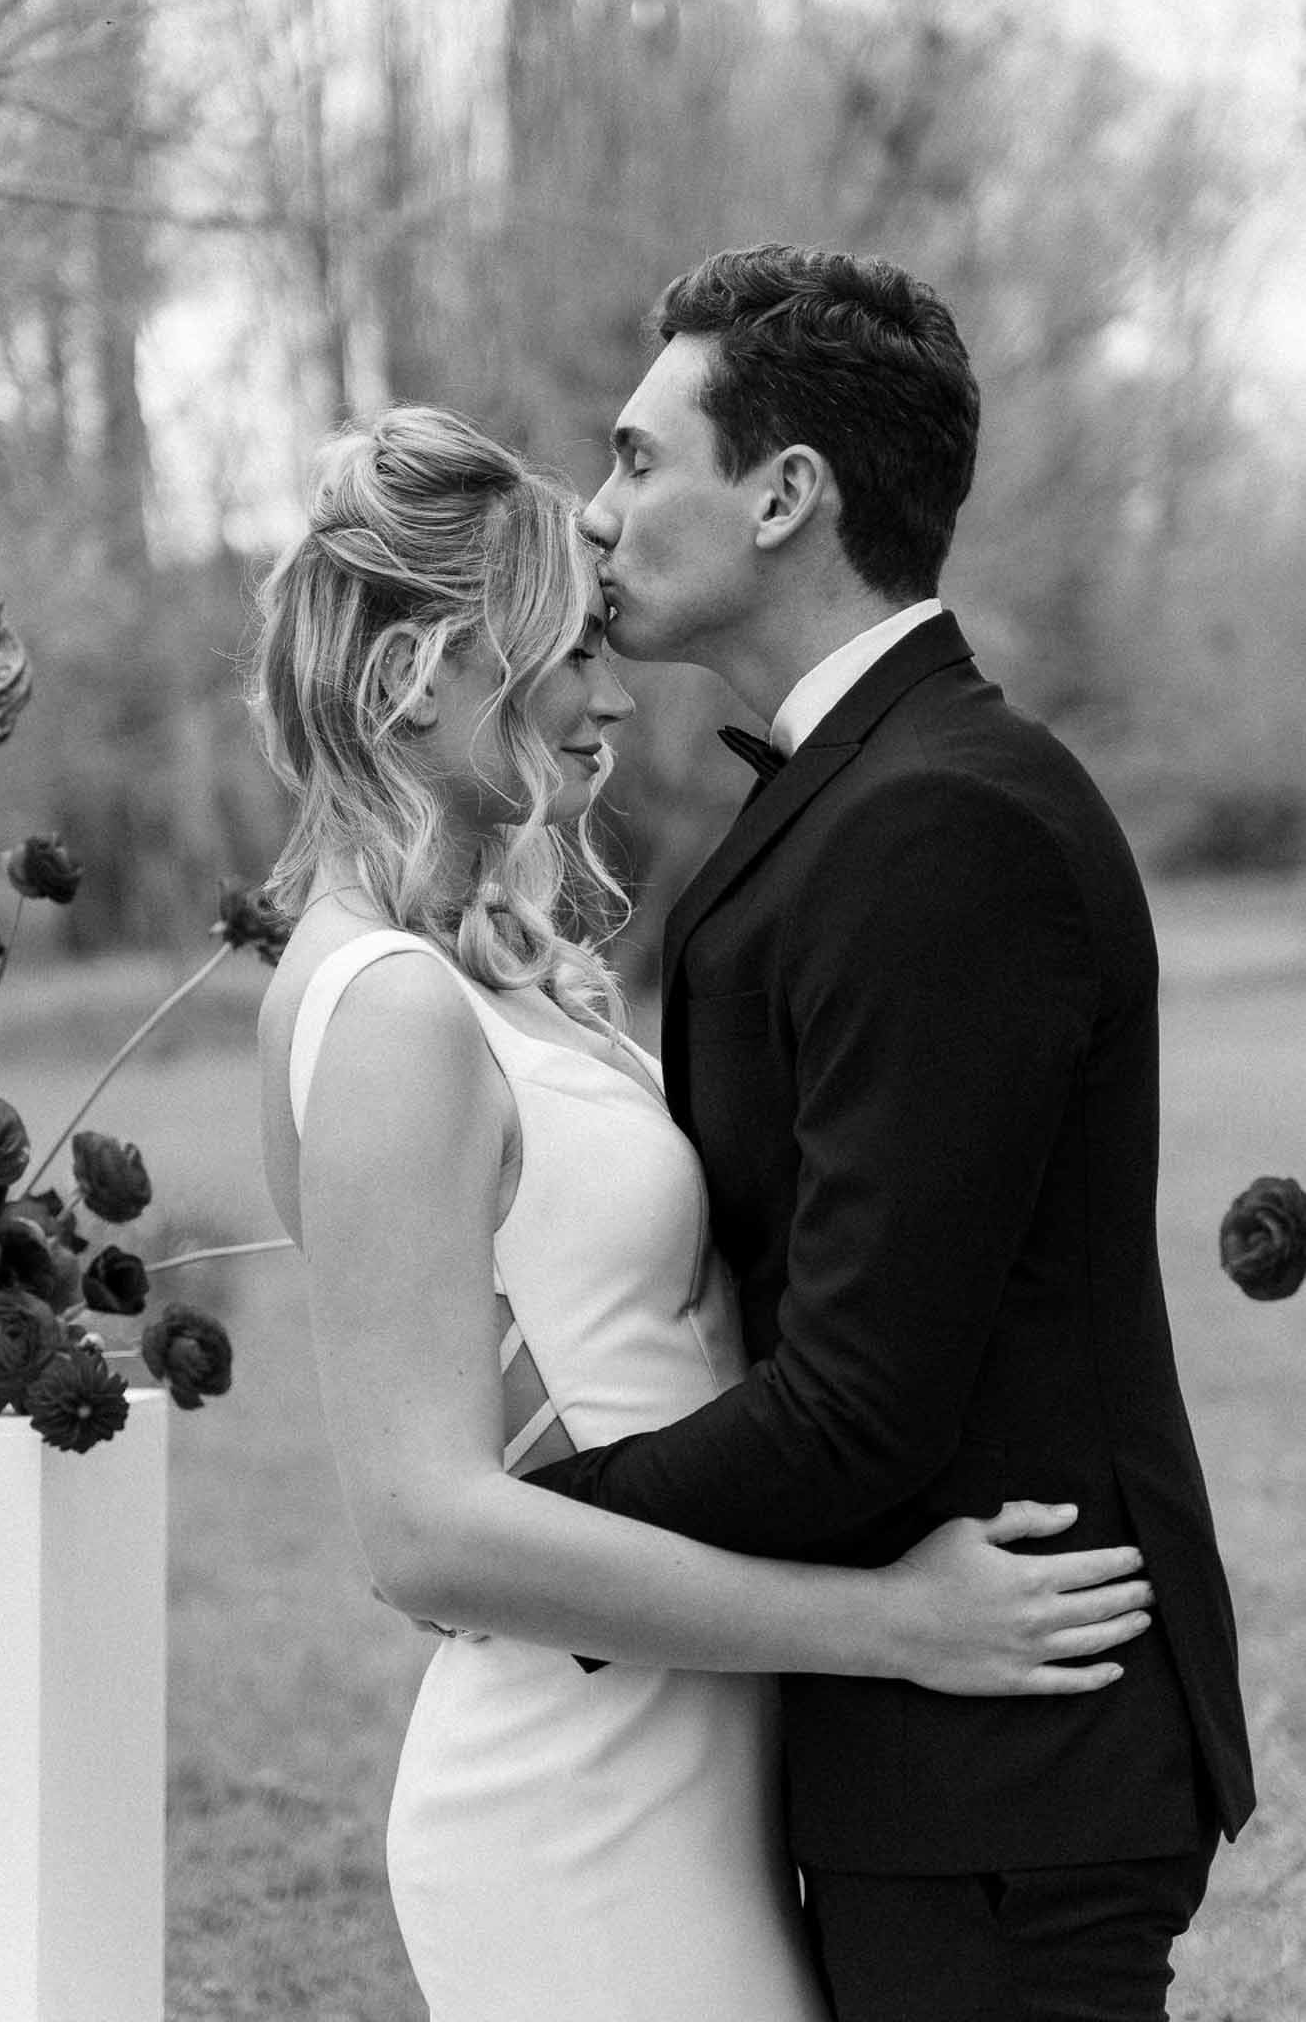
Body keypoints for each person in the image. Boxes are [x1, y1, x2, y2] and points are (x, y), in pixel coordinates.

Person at [251, 403, 1157, 2022]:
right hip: (579, 1797)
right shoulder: (384, 1005)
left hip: (695, 1758)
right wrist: (889, 1627)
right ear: (421, 673)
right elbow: (425, 1529)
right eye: (564, 648)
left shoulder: (476, 971)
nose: (611, 692)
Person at [525, 245, 1257, 2021]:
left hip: (1004, 1762)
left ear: (786, 494)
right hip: (919, 1745)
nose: (595, 517)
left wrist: (532, 1539)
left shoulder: (945, 827)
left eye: (636, 460)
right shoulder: (863, 794)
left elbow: (861, 1398)